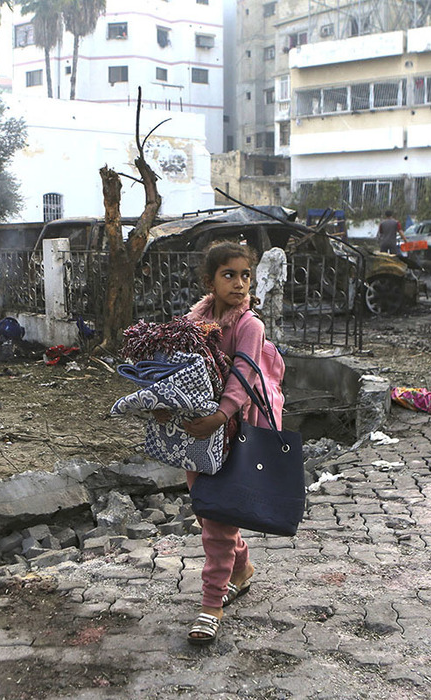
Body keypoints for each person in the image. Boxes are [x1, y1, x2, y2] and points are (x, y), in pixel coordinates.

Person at [168, 241, 279, 645]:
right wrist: (167, 405)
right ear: (210, 281)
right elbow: (180, 371)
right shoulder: (193, 322)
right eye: (228, 274)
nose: (238, 283)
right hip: (197, 434)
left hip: (233, 432)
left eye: (245, 275)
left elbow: (244, 378)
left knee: (216, 521)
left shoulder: (250, 326)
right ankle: (243, 570)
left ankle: (211, 604)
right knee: (210, 511)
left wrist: (220, 415)